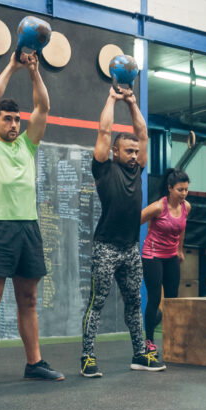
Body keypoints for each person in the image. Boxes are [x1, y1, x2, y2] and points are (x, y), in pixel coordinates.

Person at [0, 52, 63, 389]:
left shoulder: (26, 146)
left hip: (28, 229)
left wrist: (34, 72)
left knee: (29, 300)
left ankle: (34, 362)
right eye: (6, 119)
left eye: (15, 120)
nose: (13, 124)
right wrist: (12, 66)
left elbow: (43, 108)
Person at [80, 86, 166, 378]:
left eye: (135, 152)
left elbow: (143, 134)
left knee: (134, 303)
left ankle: (140, 354)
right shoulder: (103, 168)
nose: (133, 155)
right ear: (114, 152)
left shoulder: (137, 170)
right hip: (106, 247)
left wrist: (131, 102)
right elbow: (104, 133)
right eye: (128, 151)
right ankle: (88, 356)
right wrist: (112, 99)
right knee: (98, 302)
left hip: (130, 248)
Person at [140, 169, 191, 353]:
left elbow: (181, 229)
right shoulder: (157, 207)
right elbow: (137, 220)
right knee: (154, 299)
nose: (184, 193)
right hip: (152, 256)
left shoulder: (187, 206)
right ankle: (149, 341)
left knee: (172, 299)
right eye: (180, 189)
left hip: (171, 256)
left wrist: (179, 249)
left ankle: (172, 338)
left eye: (186, 189)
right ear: (170, 188)